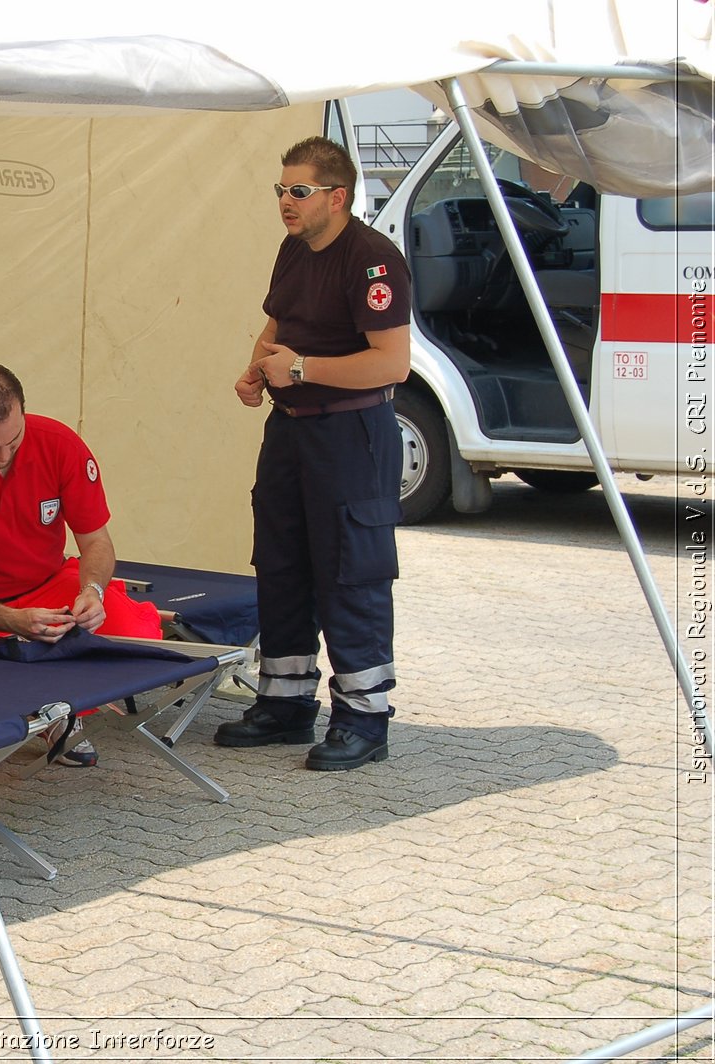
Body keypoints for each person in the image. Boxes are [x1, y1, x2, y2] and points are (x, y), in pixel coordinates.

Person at [221, 135, 411, 771]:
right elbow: (277, 325)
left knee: (349, 570)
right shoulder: (294, 248)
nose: (285, 202)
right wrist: (257, 370)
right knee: (281, 561)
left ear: (338, 195)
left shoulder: (373, 260)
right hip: (291, 431)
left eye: (298, 192)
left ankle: (364, 718)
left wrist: (300, 369)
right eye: (280, 190)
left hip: (350, 435)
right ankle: (285, 702)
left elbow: (393, 362)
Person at [0, 363, 162, 767]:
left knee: (133, 638)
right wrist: (12, 619)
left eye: (14, 439)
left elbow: (96, 542)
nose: (3, 456)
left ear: (24, 411)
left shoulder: (59, 443)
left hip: (49, 586)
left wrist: (91, 591)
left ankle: (56, 710)